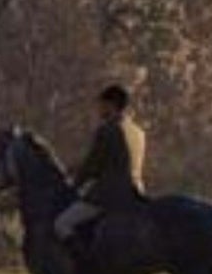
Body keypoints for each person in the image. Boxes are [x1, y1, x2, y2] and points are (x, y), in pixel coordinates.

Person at [54, 83, 147, 244]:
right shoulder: (138, 132)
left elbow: (91, 166)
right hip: (135, 194)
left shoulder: (107, 130)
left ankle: (82, 261)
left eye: (101, 105)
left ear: (110, 104)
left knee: (62, 224)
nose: (99, 110)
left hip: (108, 196)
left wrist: (71, 187)